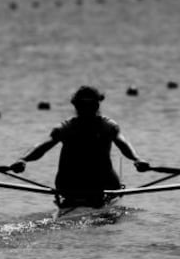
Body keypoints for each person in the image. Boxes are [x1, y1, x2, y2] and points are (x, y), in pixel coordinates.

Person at [13, 85, 148, 206]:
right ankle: (105, 200)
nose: (86, 109)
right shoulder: (106, 126)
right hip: (98, 185)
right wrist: (23, 159)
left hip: (70, 186)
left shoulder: (68, 127)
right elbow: (42, 146)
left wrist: (23, 159)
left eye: (88, 105)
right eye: (83, 106)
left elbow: (43, 146)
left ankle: (74, 202)